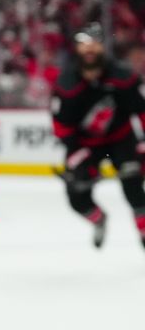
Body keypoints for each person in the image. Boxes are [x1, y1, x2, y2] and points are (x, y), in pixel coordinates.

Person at [51, 22, 145, 248]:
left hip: (121, 139)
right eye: (84, 44)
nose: (89, 49)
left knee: (133, 187)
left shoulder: (124, 77)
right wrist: (77, 154)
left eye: (94, 43)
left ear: (103, 46)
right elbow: (61, 126)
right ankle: (99, 219)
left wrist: (142, 144)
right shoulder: (66, 85)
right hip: (85, 146)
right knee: (77, 196)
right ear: (76, 49)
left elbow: (142, 110)